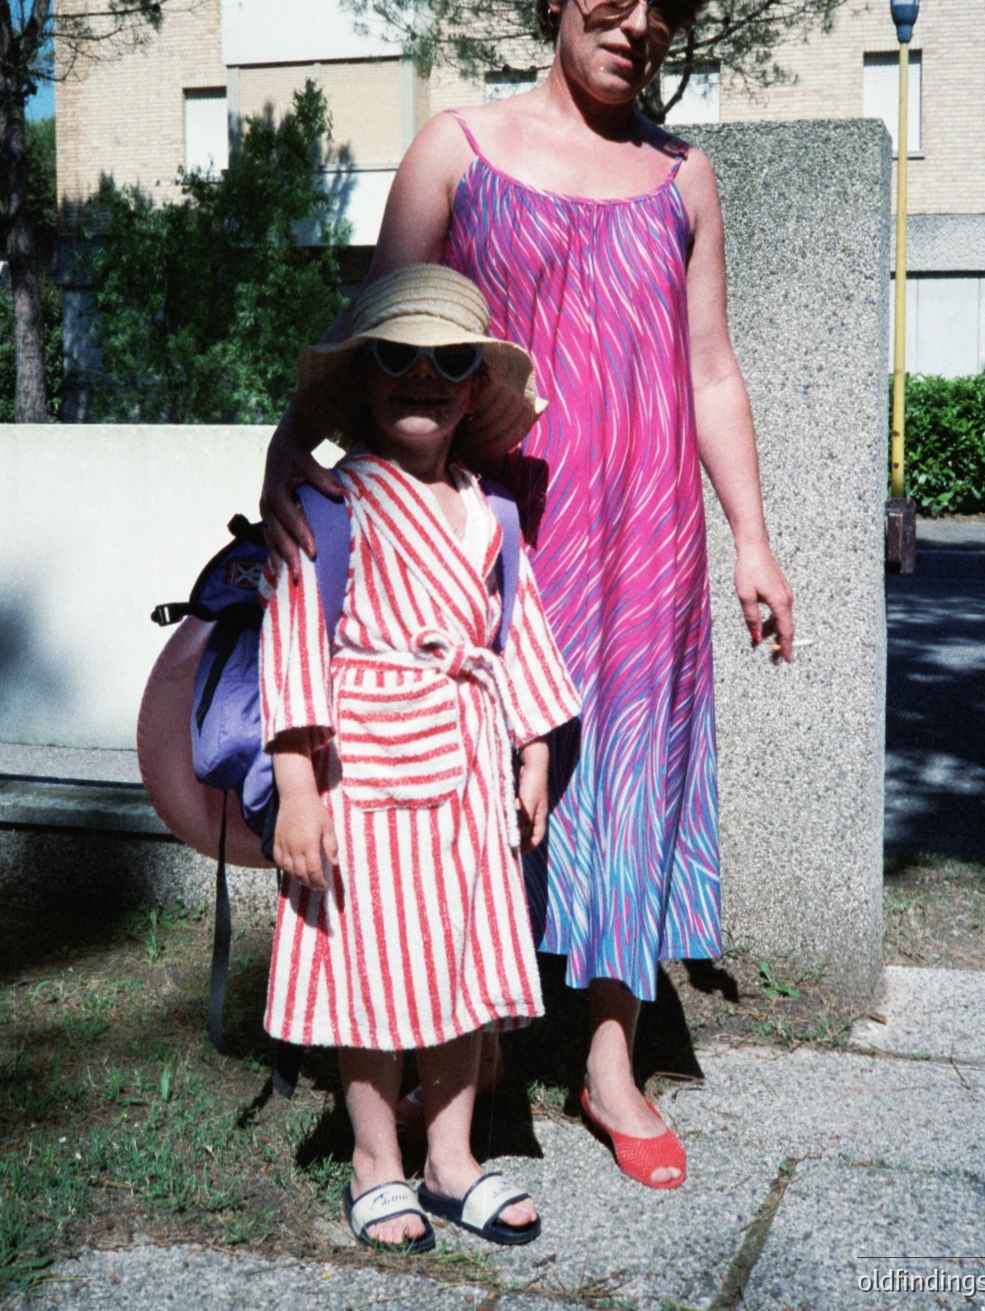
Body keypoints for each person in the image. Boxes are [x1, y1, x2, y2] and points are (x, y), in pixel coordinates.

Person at [262, 0, 795, 1191]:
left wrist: (754, 540)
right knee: (456, 790)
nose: (639, 22)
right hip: (489, 540)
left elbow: (712, 366)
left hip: (650, 537)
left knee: (624, 781)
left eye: (664, 6)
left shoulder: (681, 177)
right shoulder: (459, 145)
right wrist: (290, 451)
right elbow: (376, 327)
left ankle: (609, 1055)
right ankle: (462, 1043)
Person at [261, 264, 580, 1251]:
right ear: (363, 378)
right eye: (396, 357)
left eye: (448, 362)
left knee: (465, 966)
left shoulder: (491, 515)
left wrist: (533, 750)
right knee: (370, 969)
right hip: (363, 767)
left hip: (469, 763)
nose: (421, 377)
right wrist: (299, 793)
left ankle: (451, 1155)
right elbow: (292, 642)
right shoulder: (329, 505)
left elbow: (511, 632)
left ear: (474, 388)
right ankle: (373, 1158)